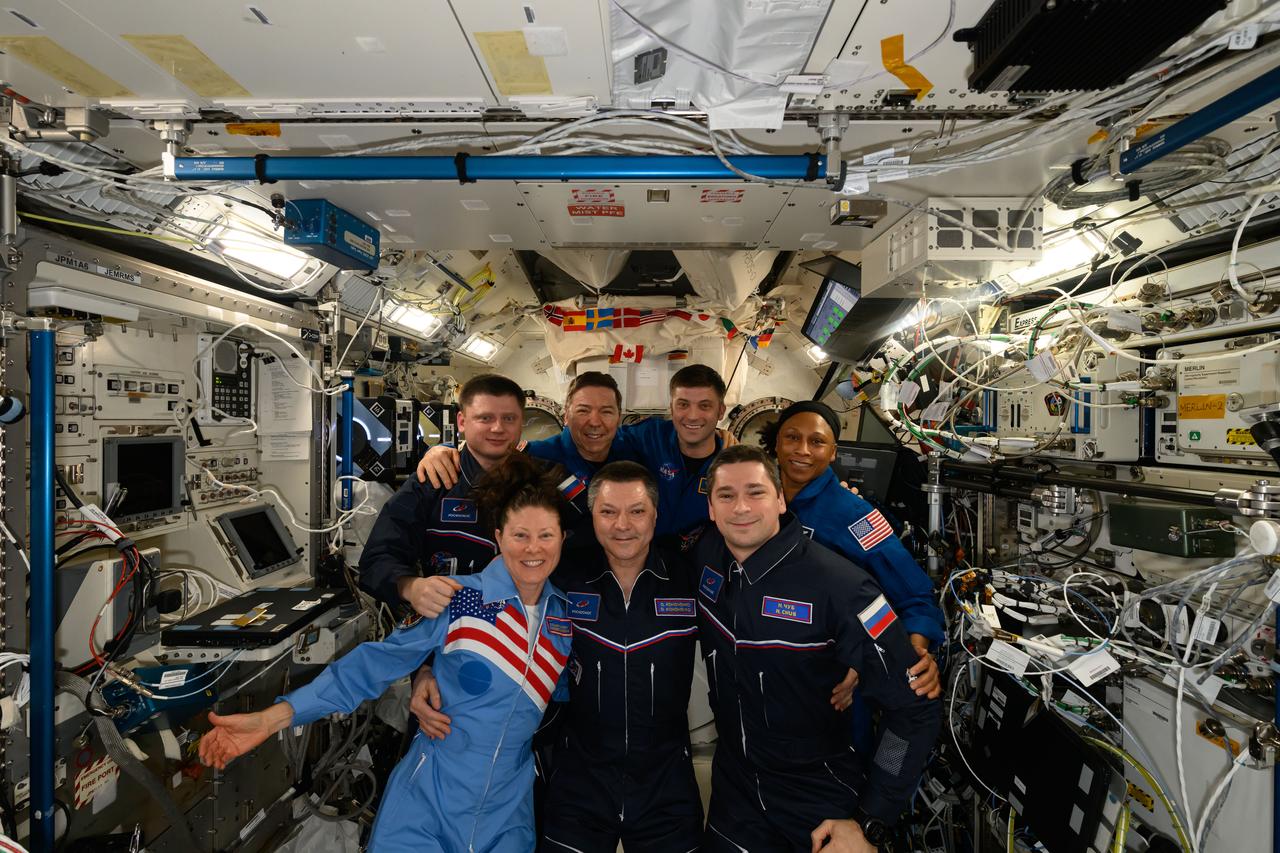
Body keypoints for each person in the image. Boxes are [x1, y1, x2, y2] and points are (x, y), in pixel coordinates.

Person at [198, 455, 577, 852]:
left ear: (563, 540)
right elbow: (371, 666)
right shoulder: (458, 598)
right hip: (426, 806)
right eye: (520, 535)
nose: (533, 549)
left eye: (546, 536)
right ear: (498, 537)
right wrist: (272, 718)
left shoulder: (564, 618)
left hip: (508, 815)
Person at [694, 445, 941, 852]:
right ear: (711, 509)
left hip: (818, 797)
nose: (741, 507)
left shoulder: (844, 587)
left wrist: (870, 820)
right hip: (735, 794)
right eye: (726, 495)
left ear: (779, 499)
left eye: (755, 492)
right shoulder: (707, 559)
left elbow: (915, 709)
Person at [359, 373, 588, 616]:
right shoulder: (433, 481)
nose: (498, 428)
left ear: (522, 422)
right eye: (485, 418)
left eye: (509, 418)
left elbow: (597, 535)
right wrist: (411, 587)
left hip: (533, 623)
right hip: (452, 625)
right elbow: (376, 558)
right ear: (461, 421)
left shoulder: (551, 478)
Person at [760, 400, 944, 700]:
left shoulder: (856, 517)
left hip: (833, 677)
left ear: (833, 452)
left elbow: (914, 595)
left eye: (817, 442)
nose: (802, 450)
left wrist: (915, 650)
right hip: (765, 660)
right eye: (792, 437)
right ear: (777, 444)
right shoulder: (756, 503)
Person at [417, 363, 730, 539]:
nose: (595, 422)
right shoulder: (539, 457)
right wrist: (447, 449)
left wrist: (727, 442)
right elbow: (493, 451)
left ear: (619, 419)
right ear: (565, 415)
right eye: (583, 411)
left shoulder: (639, 442)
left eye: (606, 412)